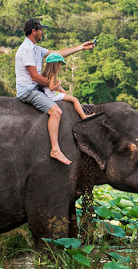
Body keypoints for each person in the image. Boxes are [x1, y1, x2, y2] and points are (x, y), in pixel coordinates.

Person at [15, 18, 94, 165]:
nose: (42, 33)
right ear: (34, 31)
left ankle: (81, 113)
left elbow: (57, 54)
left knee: (63, 93)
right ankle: (55, 149)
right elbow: (34, 76)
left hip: (36, 87)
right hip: (29, 90)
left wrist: (80, 47)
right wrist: (53, 86)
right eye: (41, 30)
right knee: (56, 112)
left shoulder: (36, 48)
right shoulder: (26, 49)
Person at [40, 53, 90, 121]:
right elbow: (51, 88)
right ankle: (83, 116)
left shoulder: (45, 74)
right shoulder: (53, 74)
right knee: (75, 100)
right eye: (60, 64)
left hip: (49, 95)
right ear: (55, 65)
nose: (60, 67)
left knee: (66, 95)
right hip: (52, 96)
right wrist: (58, 84)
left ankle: (80, 109)